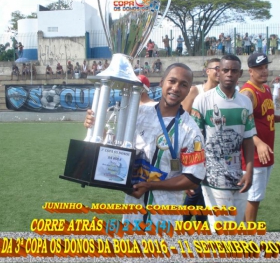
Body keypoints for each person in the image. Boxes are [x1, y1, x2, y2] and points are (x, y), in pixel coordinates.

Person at [84, 63, 206, 225]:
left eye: (183, 85)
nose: (176, 88)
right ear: (162, 82)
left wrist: (150, 186)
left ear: (189, 89)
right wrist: (96, 128)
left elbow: (192, 178)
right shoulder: (139, 114)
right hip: (132, 213)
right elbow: (118, 149)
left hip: (165, 218)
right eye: (172, 81)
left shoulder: (191, 131)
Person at [191, 54, 256, 232]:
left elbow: (248, 139)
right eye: (225, 70)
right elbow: (195, 140)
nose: (229, 74)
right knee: (221, 228)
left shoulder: (245, 102)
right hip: (213, 175)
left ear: (240, 73)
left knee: (236, 226)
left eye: (234, 71)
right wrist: (194, 172)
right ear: (218, 72)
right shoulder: (203, 100)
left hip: (240, 175)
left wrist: (249, 171)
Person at [240, 53, 280, 222]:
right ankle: (249, 238)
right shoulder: (248, 93)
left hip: (265, 153)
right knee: (253, 198)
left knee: (256, 197)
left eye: (265, 67)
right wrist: (259, 143)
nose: (264, 71)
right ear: (250, 71)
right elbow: (242, 126)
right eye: (259, 68)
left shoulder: (266, 88)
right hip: (254, 155)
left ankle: (244, 235)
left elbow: (267, 116)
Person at [181, 58, 220, 223]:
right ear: (208, 71)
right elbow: (182, 117)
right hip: (195, 148)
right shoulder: (196, 91)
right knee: (195, 189)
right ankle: (183, 222)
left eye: (222, 68)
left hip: (213, 151)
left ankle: (200, 226)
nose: (220, 72)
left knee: (205, 192)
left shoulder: (221, 94)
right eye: (216, 68)